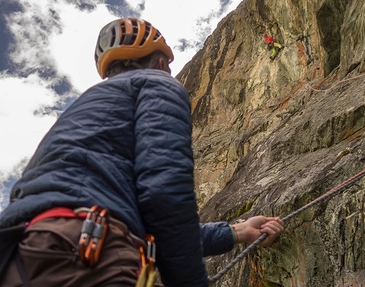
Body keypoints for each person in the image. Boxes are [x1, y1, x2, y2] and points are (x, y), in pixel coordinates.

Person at [0, 18, 284, 287]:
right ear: (160, 63)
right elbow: (164, 194)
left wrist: (238, 232)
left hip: (19, 253)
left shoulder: (79, 114)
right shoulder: (156, 82)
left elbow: (146, 220)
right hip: (88, 254)